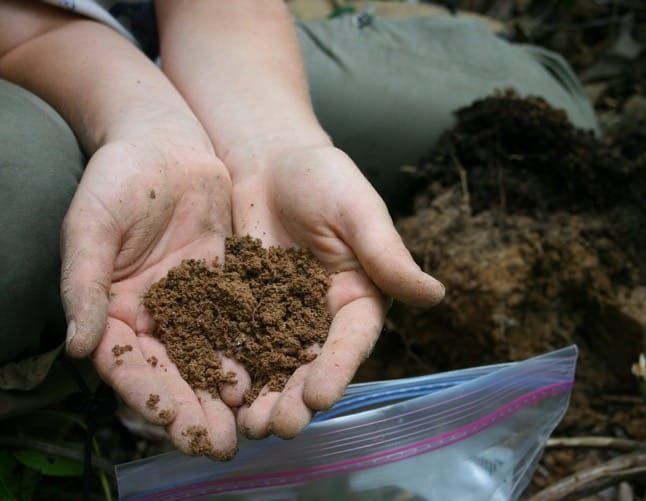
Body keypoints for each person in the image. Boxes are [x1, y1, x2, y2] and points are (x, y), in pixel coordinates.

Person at [0, 0, 598, 460]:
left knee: (545, 125)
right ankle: (57, 392)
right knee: (27, 194)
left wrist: (273, 141)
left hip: (179, 30)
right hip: (27, 48)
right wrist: (137, 118)